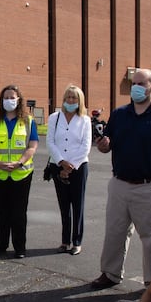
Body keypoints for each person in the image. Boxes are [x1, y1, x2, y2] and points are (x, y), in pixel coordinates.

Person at [91, 68, 151, 290]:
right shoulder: (119, 114)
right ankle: (110, 273)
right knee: (114, 232)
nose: (135, 88)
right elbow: (108, 144)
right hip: (119, 185)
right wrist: (103, 146)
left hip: (149, 187)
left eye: (141, 84)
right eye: (133, 83)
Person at [0, 84, 39, 259]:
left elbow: (32, 146)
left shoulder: (28, 121)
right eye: (6, 98)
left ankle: (20, 247)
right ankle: (1, 245)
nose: (9, 100)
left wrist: (20, 162)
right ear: (1, 101)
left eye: (12, 97)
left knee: (19, 212)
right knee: (2, 211)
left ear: (19, 99)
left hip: (21, 174)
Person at [46, 84, 91, 256]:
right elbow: (50, 142)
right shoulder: (54, 117)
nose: (70, 100)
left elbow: (86, 146)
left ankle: (77, 241)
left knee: (77, 205)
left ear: (80, 101)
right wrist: (61, 162)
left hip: (78, 167)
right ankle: (65, 241)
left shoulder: (85, 120)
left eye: (74, 98)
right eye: (68, 97)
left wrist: (70, 166)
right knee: (64, 205)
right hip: (58, 165)